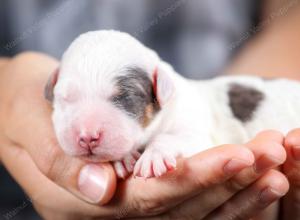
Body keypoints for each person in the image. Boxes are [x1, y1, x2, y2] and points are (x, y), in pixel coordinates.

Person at [0, 1, 300, 219]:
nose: (87, 132)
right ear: (53, 86)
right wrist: (7, 86)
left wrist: (162, 149)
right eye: (67, 98)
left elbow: (197, 144)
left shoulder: (184, 110)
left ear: (160, 91)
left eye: (122, 100)